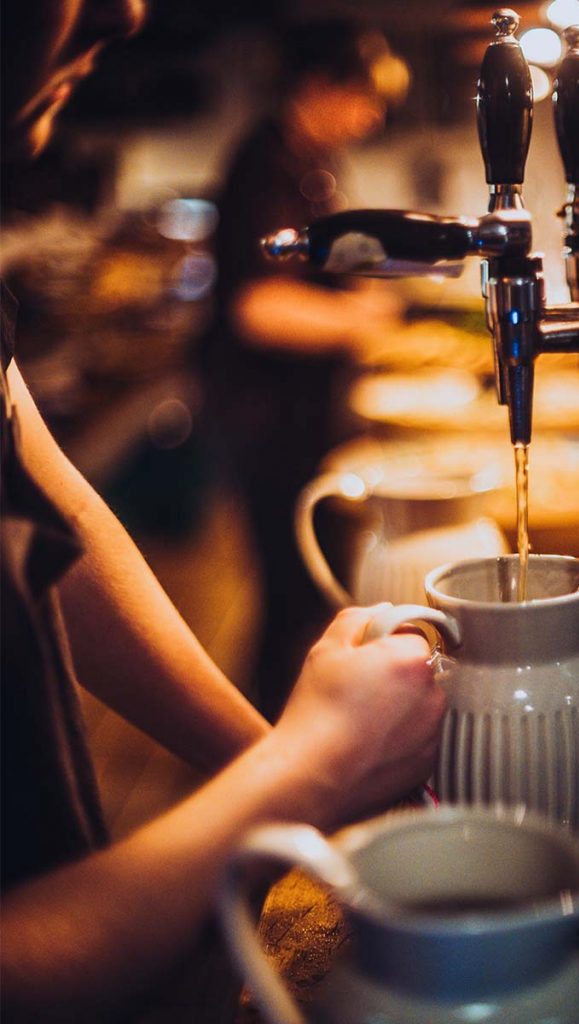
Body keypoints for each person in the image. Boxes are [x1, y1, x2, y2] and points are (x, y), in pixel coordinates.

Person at [0, 2, 445, 1020]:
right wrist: (308, 767)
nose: (127, 10)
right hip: (262, 422)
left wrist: (274, 760)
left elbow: (51, 513)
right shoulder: (263, 163)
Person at [204, 19, 410, 717]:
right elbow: (258, 308)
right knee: (290, 587)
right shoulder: (263, 163)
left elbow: (324, 275)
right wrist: (365, 322)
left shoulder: (310, 164)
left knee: (301, 585)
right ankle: (268, 734)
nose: (374, 115)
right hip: (262, 415)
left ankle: (276, 731)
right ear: (318, 86)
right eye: (365, 96)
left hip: (301, 410)